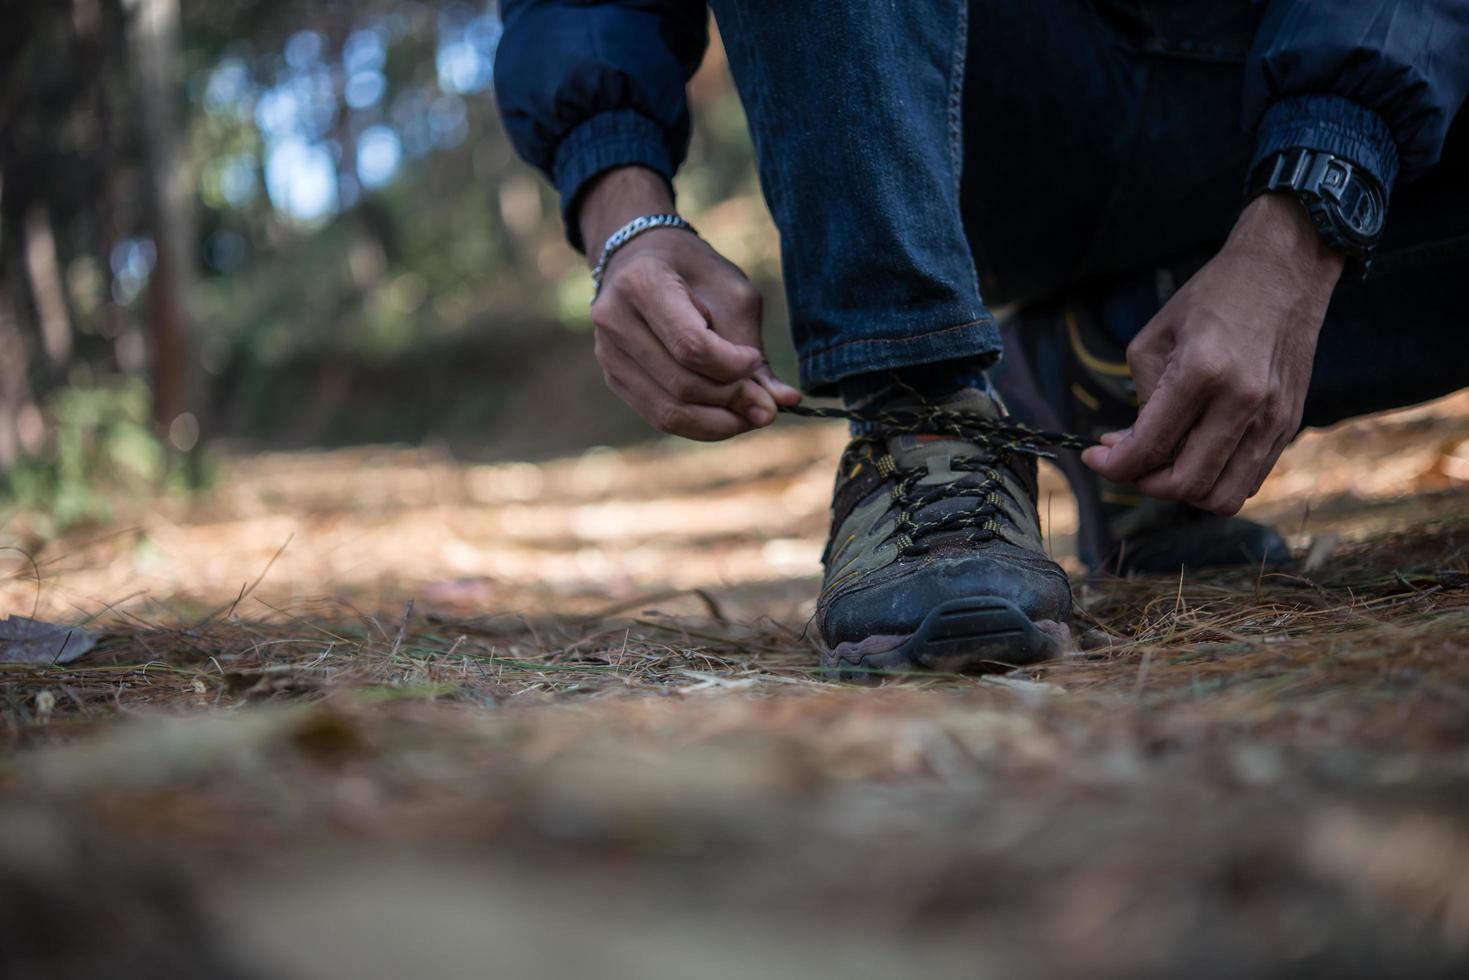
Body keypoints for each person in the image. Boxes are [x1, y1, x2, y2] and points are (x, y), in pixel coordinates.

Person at [494, 1, 1469, 674]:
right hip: (962, 98)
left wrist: (1309, 208)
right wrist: (621, 205)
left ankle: (1106, 364)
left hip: (1298, 91)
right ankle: (919, 417)